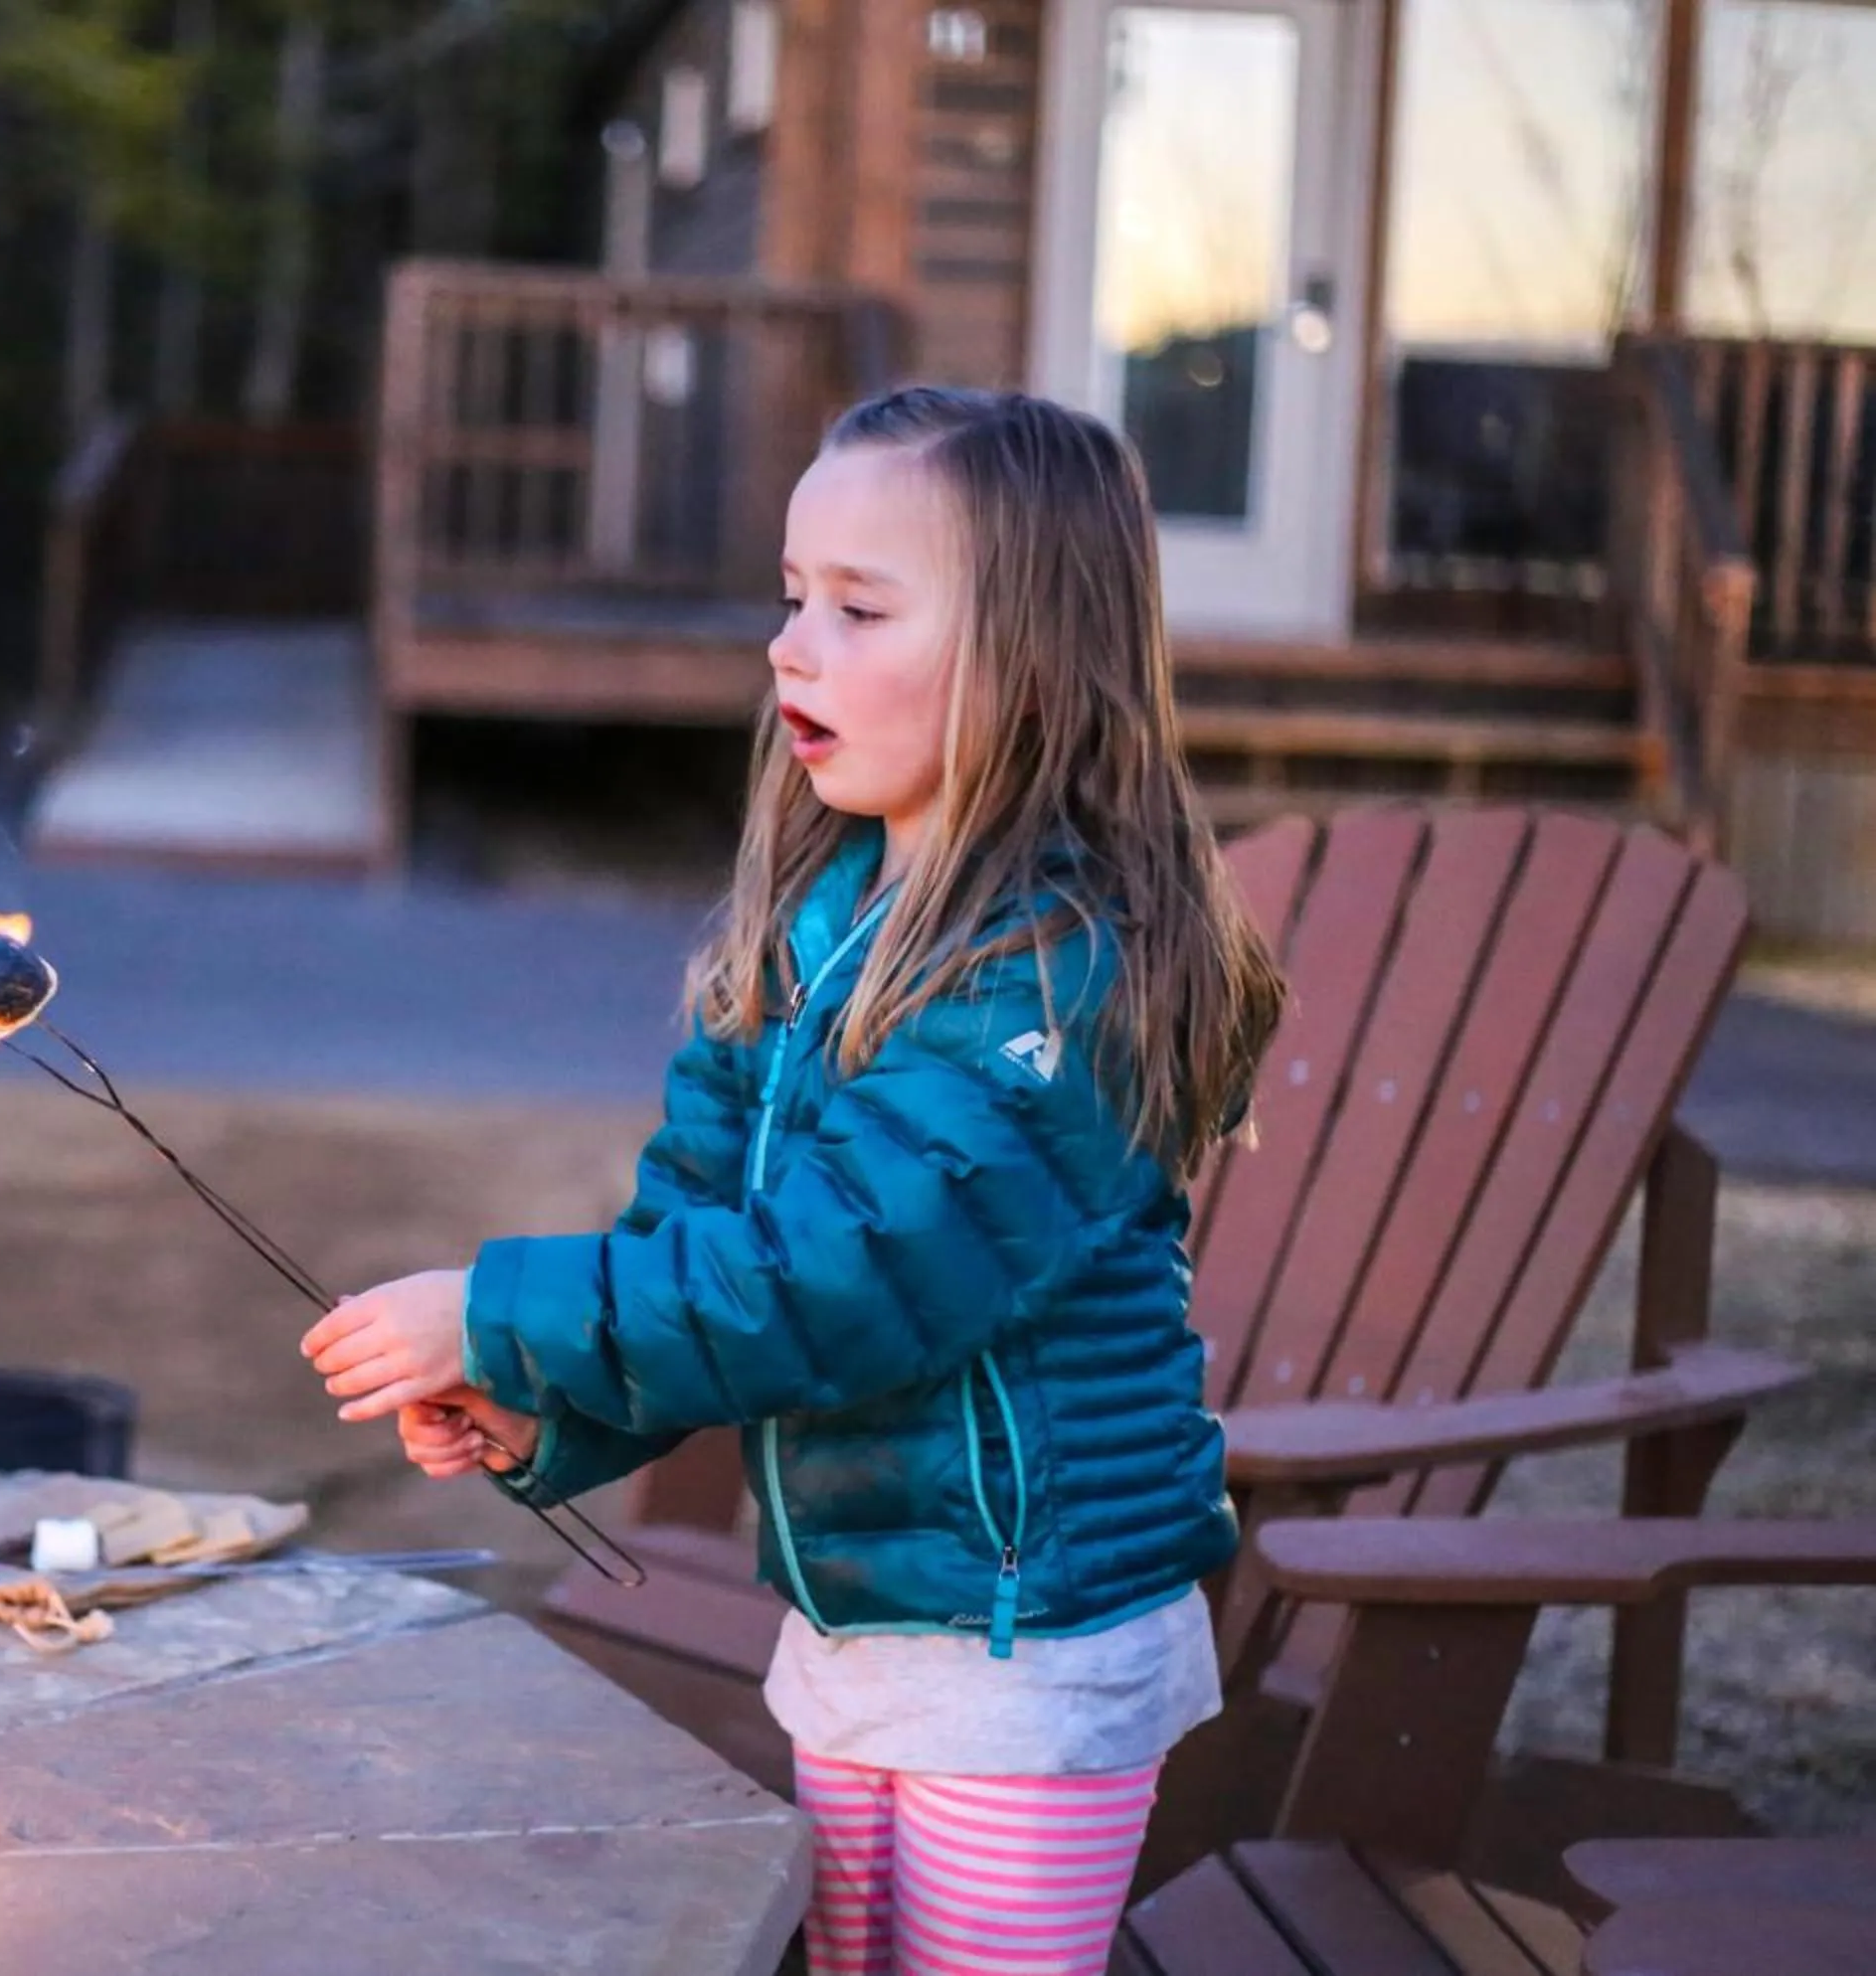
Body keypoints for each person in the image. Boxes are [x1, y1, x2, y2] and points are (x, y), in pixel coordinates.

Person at [298, 385, 1285, 1976]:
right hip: (857, 1634)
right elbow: (706, 1235)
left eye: (858, 605)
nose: (789, 645)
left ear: (1026, 654)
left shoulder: (1057, 973)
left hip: (1026, 1658)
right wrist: (560, 1408)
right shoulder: (821, 922)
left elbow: (834, 1279)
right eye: (790, 594)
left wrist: (492, 1311)